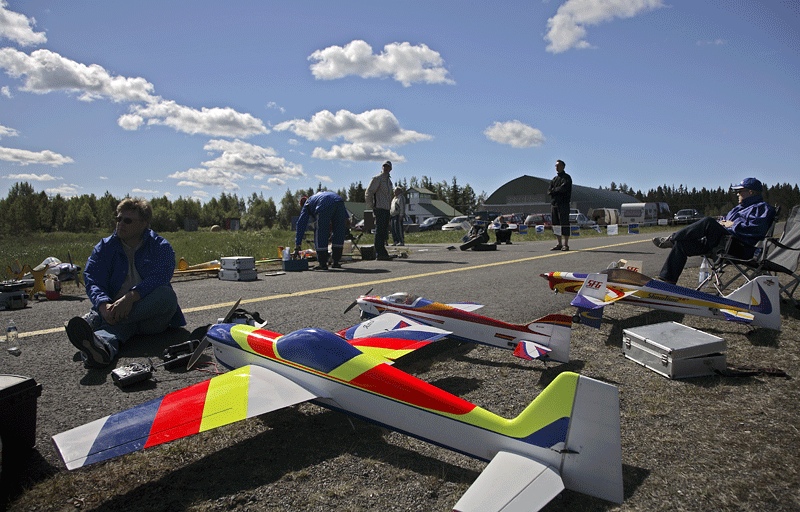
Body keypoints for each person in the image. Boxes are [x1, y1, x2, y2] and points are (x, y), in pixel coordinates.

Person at [65, 198, 185, 369]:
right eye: (118, 218)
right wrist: (103, 305)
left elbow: (160, 277)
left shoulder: (160, 246)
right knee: (122, 326)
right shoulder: (105, 247)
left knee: (167, 296)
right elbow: (92, 278)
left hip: (151, 316)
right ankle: (101, 349)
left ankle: (96, 320)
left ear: (144, 223)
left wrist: (130, 297)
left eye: (127, 220)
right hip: (117, 309)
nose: (120, 223)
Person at [652, 177, 776, 284]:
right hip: (721, 243)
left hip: (739, 247)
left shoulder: (763, 208)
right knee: (682, 244)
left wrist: (732, 224)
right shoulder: (738, 208)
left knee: (708, 221)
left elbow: (756, 229)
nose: (737, 194)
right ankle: (667, 282)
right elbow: (724, 220)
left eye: (739, 191)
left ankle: (672, 238)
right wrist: (722, 223)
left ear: (750, 192)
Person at [294, 191, 349, 270]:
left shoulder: (307, 204)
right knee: (338, 232)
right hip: (339, 201)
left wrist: (297, 245)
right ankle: (336, 261)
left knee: (320, 233)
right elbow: (345, 219)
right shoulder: (316, 198)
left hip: (324, 204)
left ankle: (322, 263)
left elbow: (301, 224)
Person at [365, 160, 394, 260]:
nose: (386, 168)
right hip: (379, 208)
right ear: (382, 167)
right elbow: (369, 192)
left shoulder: (389, 181)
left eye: (388, 167)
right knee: (379, 231)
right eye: (384, 166)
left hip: (386, 209)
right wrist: (372, 206)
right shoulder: (377, 179)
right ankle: (380, 253)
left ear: (390, 169)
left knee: (384, 232)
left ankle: (382, 252)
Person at [548, 159, 572, 251]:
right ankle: (559, 243)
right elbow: (549, 191)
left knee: (564, 223)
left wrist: (554, 190)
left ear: (563, 166)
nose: (556, 167)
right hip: (554, 204)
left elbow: (563, 188)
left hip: (563, 204)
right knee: (556, 224)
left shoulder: (567, 178)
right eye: (555, 166)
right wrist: (555, 190)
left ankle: (566, 244)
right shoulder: (554, 179)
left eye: (558, 166)